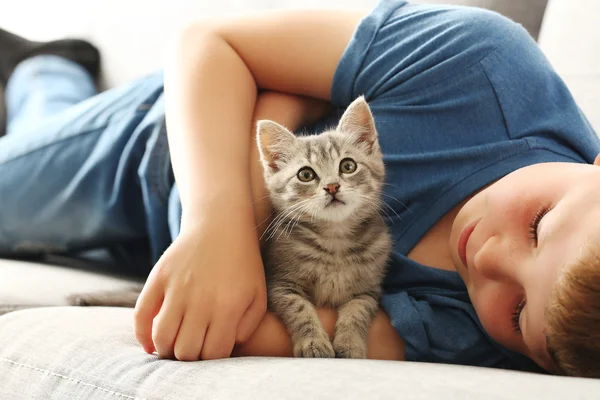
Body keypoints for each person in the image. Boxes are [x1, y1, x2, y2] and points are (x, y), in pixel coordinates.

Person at [0, 0, 598, 377]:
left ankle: (48, 73)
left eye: (520, 312)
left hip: (163, 255)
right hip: (159, 153)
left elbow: (277, 328)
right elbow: (215, 43)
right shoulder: (484, 65)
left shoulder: (472, 333)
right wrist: (218, 229)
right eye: (539, 225)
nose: (491, 258)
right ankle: (46, 73)